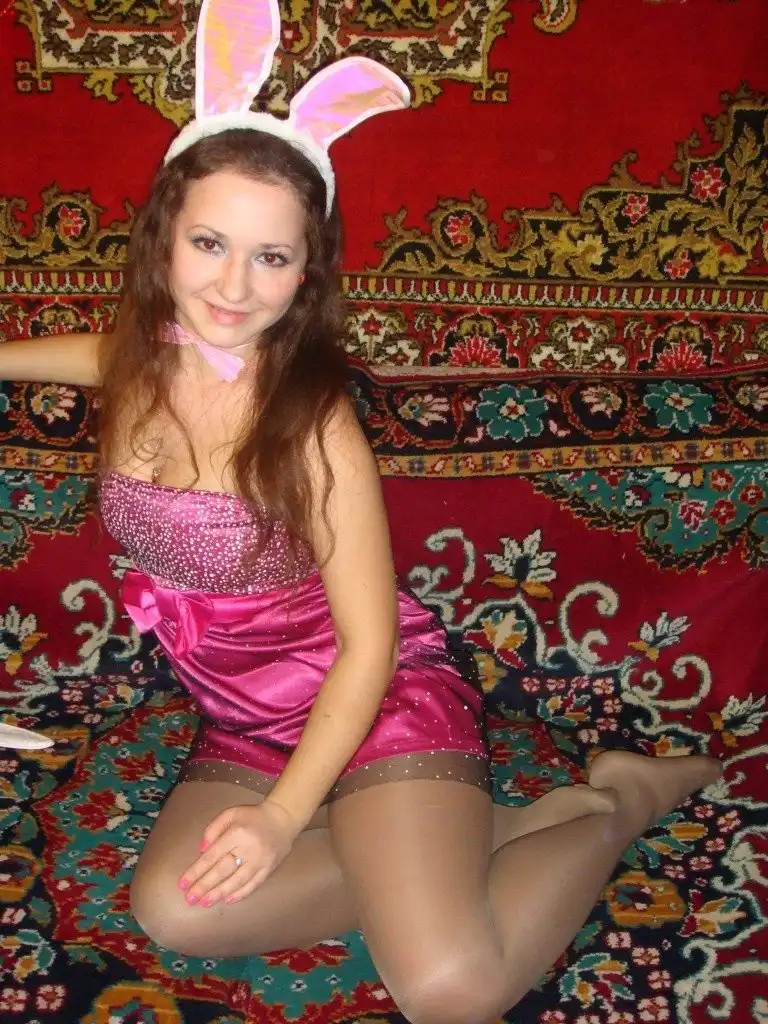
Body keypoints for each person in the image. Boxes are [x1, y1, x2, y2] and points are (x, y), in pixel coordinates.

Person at [0, 2, 722, 1021]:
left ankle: (613, 801)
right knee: (173, 911)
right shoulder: (144, 356)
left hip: (377, 701)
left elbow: (370, 647)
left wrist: (281, 819)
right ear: (164, 238)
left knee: (451, 989)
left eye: (272, 257)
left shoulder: (313, 424)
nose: (233, 286)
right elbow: (92, 355)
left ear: (307, 272)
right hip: (246, 718)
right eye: (209, 242)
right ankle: (435, 847)